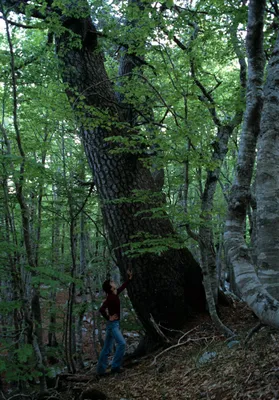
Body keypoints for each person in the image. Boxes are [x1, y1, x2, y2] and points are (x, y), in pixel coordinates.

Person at [96, 270, 132, 376]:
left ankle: (100, 370)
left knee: (107, 347)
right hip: (113, 325)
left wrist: (129, 279)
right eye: (112, 282)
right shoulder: (111, 297)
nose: (114, 282)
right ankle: (115, 367)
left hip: (113, 325)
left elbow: (122, 287)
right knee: (122, 343)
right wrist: (109, 317)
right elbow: (102, 309)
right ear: (110, 287)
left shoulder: (114, 294)